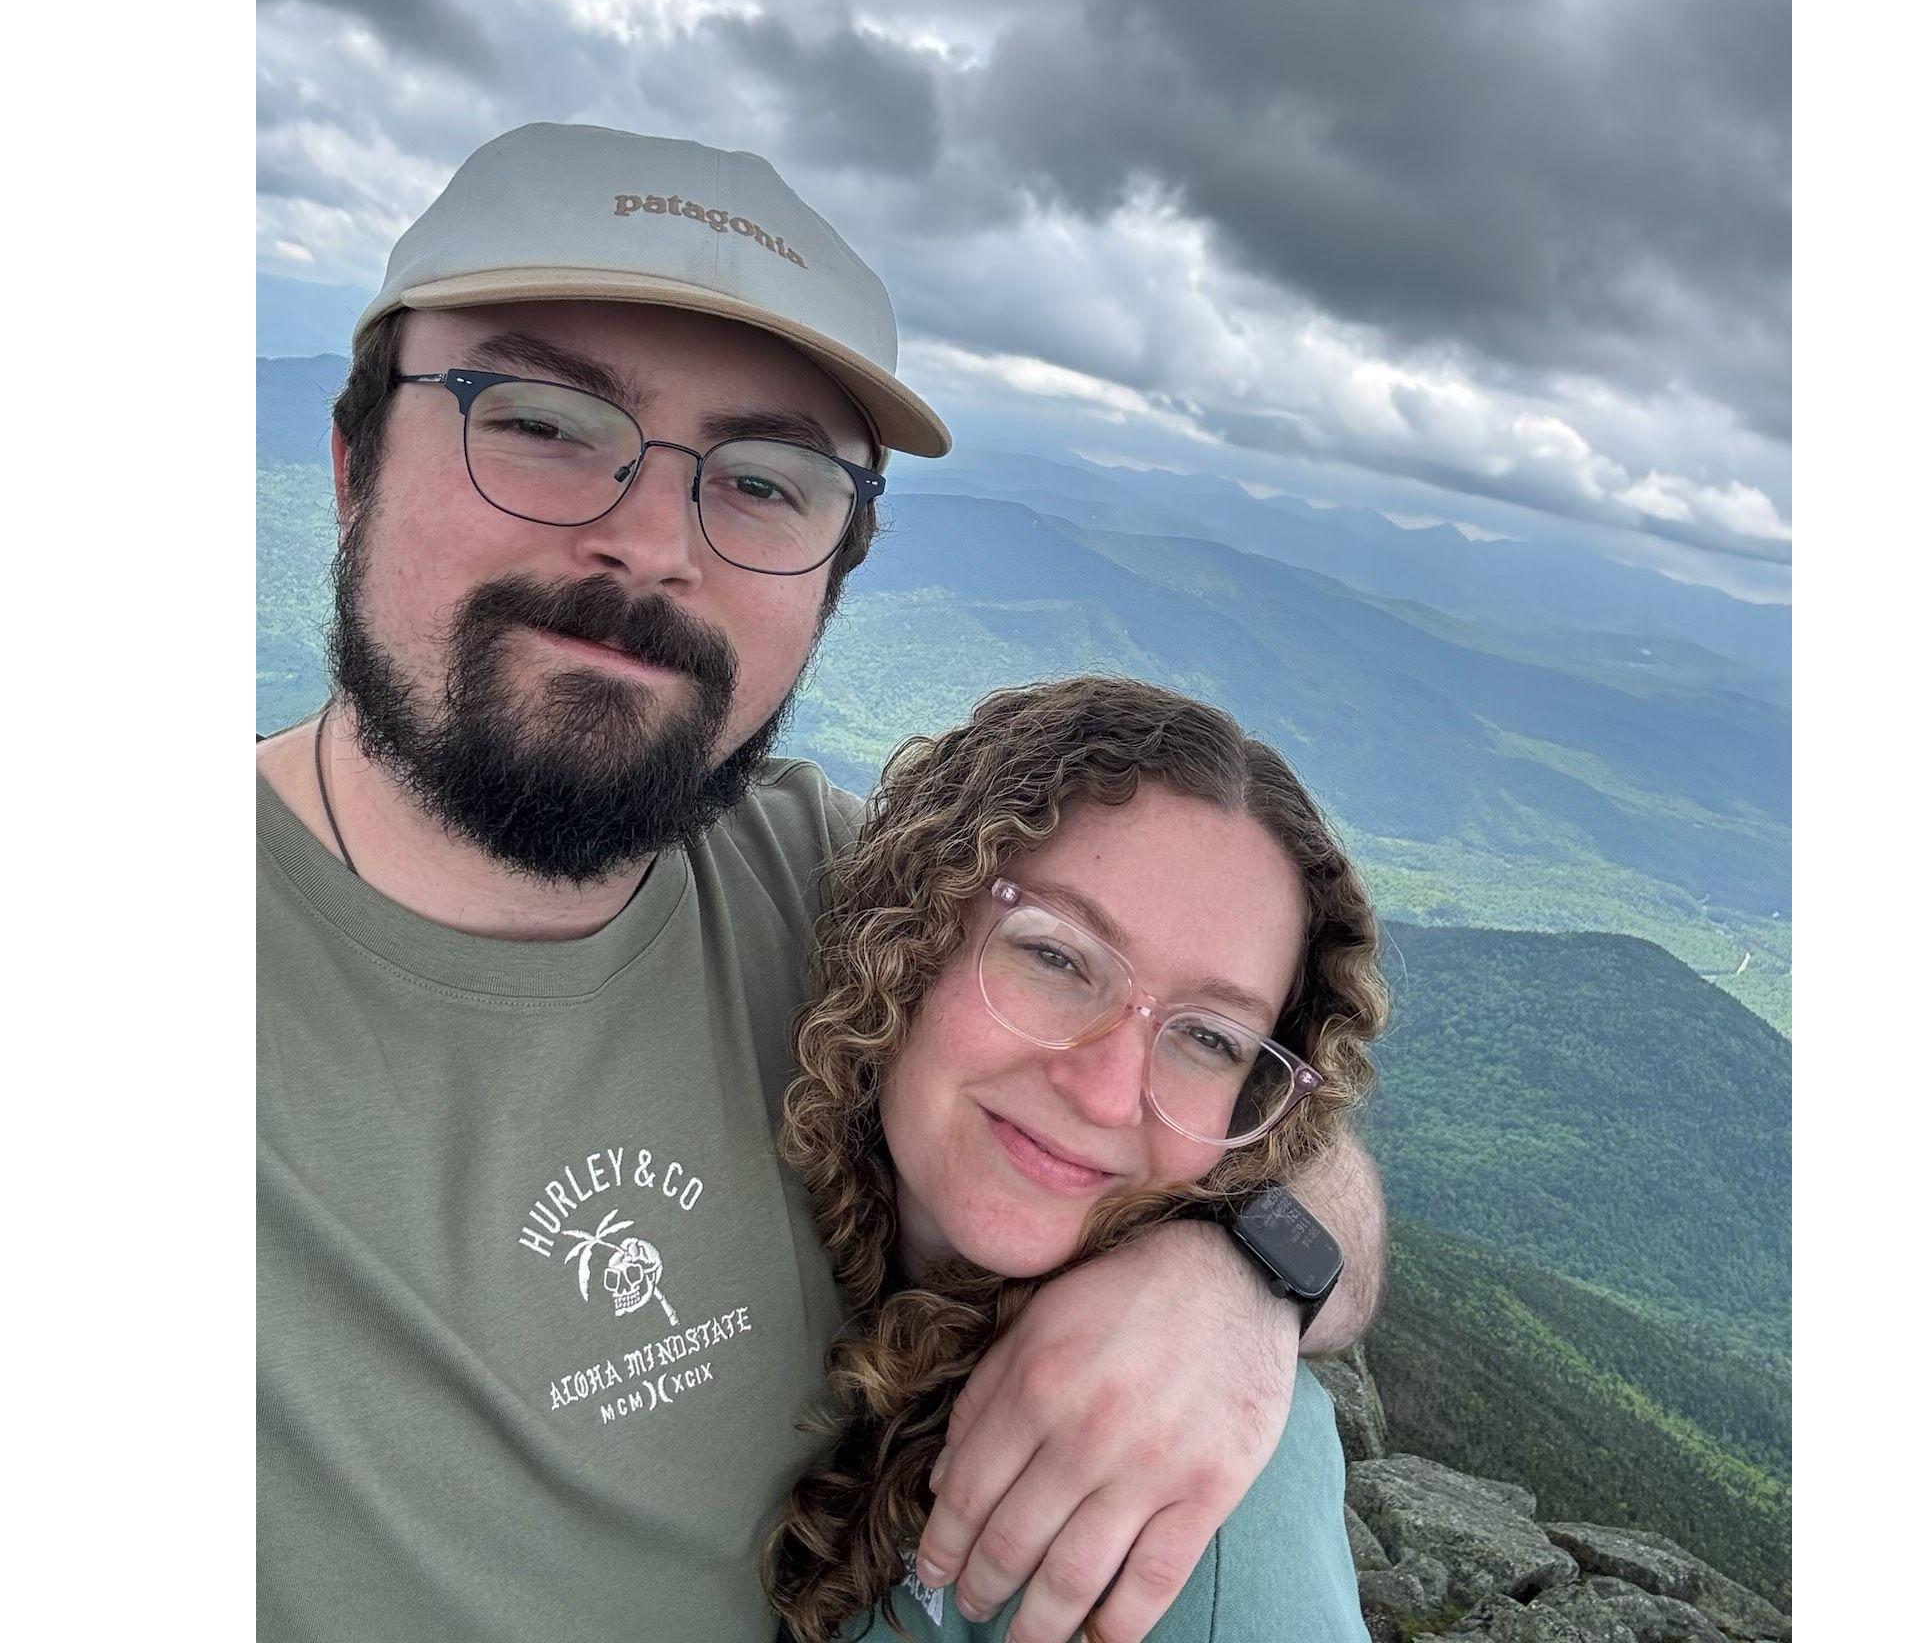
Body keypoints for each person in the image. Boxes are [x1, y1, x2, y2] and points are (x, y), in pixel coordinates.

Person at [258, 121, 1389, 1643]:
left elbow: (1233, 1089)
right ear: (351, 465)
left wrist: (1242, 1276)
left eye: (769, 483)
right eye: (537, 417)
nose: (651, 539)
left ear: (836, 579)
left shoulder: (828, 891)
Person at [765, 677, 1385, 1642]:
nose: (1104, 1090)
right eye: (1057, 958)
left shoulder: (1202, 1522)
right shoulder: (760, 1101)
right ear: (909, 933)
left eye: (1211, 1038)